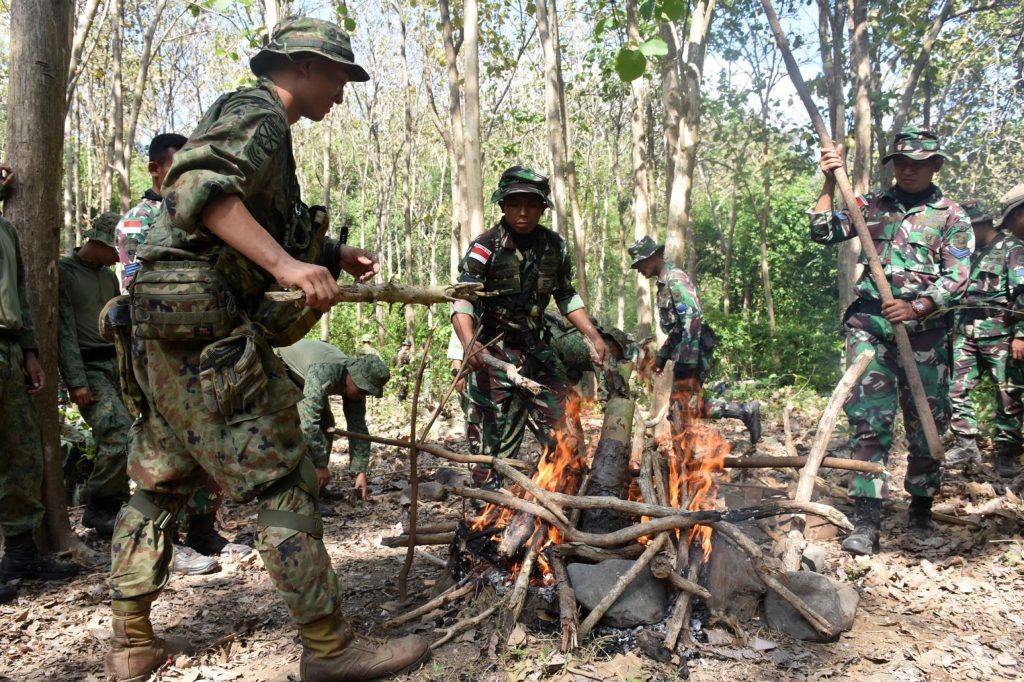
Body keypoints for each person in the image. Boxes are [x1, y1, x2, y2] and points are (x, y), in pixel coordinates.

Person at [103, 17, 429, 682]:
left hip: (165, 337)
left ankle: (132, 641)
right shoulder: (260, 114)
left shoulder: (263, 126)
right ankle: (331, 649)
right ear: (305, 66)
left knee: (161, 480)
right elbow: (197, 189)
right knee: (283, 480)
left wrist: (330, 254)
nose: (343, 90)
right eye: (340, 74)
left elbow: (246, 219)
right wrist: (285, 266)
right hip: (208, 340)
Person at [812, 124, 973, 556]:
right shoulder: (871, 204)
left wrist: (919, 306)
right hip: (871, 327)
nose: (908, 170)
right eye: (901, 162)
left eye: (918, 164)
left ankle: (921, 505)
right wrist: (829, 178)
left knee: (927, 424)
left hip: (926, 335)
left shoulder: (952, 216)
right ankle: (867, 519)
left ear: (935, 165)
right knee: (869, 418)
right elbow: (822, 231)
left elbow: (957, 277)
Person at [114, 132, 247, 568]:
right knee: (166, 446)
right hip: (158, 346)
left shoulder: (201, 211)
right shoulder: (140, 221)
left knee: (213, 436)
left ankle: (204, 532)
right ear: (155, 170)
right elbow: (147, 290)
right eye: (177, 166)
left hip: (205, 346)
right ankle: (166, 546)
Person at [451, 166, 609, 487]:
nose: (523, 212)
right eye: (514, 204)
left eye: (531, 205)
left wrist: (593, 335)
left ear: (542, 208)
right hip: (491, 357)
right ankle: (488, 520)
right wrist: (469, 343)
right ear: (503, 206)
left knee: (566, 437)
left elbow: (566, 295)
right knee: (488, 452)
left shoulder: (554, 247)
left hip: (538, 354)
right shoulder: (485, 249)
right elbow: (462, 301)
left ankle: (568, 507)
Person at [0, 163, 79, 604]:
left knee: (23, 453)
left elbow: (20, 296)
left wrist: (29, 349)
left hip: (10, 348)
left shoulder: (7, 232)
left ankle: (21, 553)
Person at [628, 236, 762, 443]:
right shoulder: (664, 282)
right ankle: (742, 412)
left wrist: (687, 361)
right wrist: (663, 356)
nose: (638, 269)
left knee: (681, 410)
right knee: (682, 409)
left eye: (640, 263)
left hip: (694, 349)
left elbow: (693, 318)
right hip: (686, 348)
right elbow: (677, 328)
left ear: (653, 257)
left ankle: (742, 412)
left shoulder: (675, 278)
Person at [945, 200, 1024, 476]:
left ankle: (1007, 451)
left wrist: (1021, 335)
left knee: (1008, 393)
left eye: (969, 228)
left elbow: (1023, 294)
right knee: (955, 387)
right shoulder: (967, 253)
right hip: (966, 330)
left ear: (983, 224)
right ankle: (966, 442)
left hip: (1000, 332)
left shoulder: (1013, 250)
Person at [277, 339, 390, 504]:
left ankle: (317, 487)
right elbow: (308, 424)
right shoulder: (323, 373)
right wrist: (320, 465)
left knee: (327, 424)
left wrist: (360, 471)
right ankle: (303, 496)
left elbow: (357, 428)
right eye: (361, 389)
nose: (362, 395)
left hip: (307, 376)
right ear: (353, 375)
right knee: (297, 426)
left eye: (368, 392)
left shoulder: (356, 388)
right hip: (282, 370)